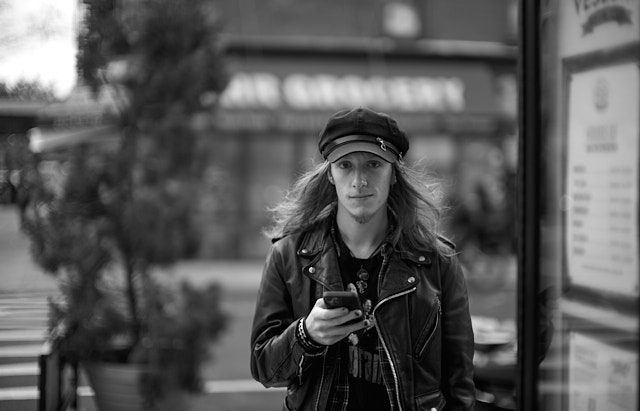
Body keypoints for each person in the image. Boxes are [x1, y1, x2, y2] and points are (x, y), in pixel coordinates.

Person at [250, 107, 475, 411]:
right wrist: (307, 334)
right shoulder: (288, 256)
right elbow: (264, 367)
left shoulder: (438, 262)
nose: (359, 181)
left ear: (394, 172)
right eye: (345, 165)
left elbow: (459, 383)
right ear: (330, 173)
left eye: (373, 164)